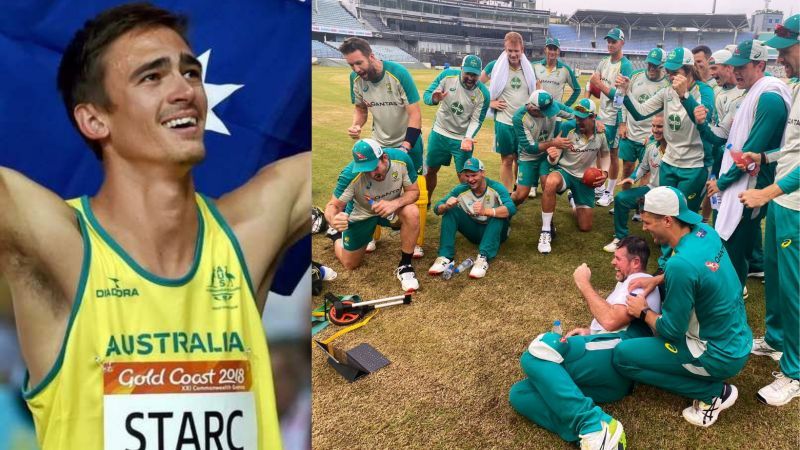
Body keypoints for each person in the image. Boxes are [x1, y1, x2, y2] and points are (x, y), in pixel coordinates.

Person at [0, 4, 310, 448]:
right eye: (152, 76)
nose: (185, 89)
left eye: (190, 73)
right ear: (94, 119)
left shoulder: (248, 234)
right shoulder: (59, 245)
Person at [614, 187, 751, 428]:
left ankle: (714, 393)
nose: (644, 228)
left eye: (647, 222)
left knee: (623, 356)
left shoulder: (680, 264)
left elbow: (671, 330)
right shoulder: (706, 232)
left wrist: (642, 311)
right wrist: (657, 279)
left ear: (667, 220)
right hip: (737, 339)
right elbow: (701, 271)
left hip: (715, 354)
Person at [509, 236, 660, 449]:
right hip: (607, 371)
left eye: (618, 258)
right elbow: (615, 320)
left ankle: (594, 424)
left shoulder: (640, 281)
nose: (612, 262)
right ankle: (589, 436)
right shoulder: (628, 284)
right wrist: (591, 331)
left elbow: (611, 320)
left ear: (635, 262)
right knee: (521, 394)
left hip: (618, 354)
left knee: (538, 352)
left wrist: (583, 282)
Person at [737, 15, 800, 406]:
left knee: (794, 290)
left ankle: (794, 371)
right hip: (782, 199)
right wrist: (763, 155)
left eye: (785, 51)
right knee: (776, 279)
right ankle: (776, 340)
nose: (780, 59)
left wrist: (768, 192)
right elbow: (791, 149)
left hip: (793, 203)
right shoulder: (797, 87)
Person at [702, 40, 791, 288]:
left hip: (751, 184)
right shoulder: (755, 93)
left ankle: (732, 294)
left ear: (760, 64)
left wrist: (722, 182)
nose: (736, 71)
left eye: (742, 66)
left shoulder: (769, 98)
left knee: (735, 245)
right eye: (734, 66)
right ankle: (734, 288)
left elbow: (750, 154)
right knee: (735, 242)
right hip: (743, 180)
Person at [340, 37, 427, 258]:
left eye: (359, 63)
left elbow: (415, 114)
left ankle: (414, 241)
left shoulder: (398, 74)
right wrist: (356, 125)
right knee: (371, 188)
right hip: (378, 144)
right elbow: (361, 109)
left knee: (414, 192)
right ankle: (371, 235)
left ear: (371, 56)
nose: (356, 69)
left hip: (409, 143)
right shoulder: (356, 80)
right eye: (351, 65)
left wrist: (405, 148)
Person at [617, 47, 715, 213]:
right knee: (665, 212)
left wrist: (685, 95)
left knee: (684, 214)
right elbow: (640, 112)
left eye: (674, 72)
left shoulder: (704, 91)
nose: (670, 77)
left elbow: (701, 121)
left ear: (689, 69)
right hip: (669, 162)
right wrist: (625, 93)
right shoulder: (667, 91)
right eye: (668, 72)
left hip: (694, 165)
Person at [324, 139, 421, 292]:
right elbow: (333, 206)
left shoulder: (401, 160)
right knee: (350, 264)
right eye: (365, 169)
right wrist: (334, 220)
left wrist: (394, 204)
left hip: (392, 208)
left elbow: (414, 192)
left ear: (384, 158)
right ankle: (336, 236)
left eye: (374, 167)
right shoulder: (350, 174)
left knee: (412, 211)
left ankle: (405, 265)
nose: (371, 173)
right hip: (361, 213)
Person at [538, 99, 609, 254]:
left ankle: (573, 202)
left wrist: (605, 172)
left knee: (585, 227)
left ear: (593, 117)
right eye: (576, 117)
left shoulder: (602, 133)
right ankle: (545, 232)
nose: (578, 120)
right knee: (551, 182)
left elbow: (604, 154)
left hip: (585, 179)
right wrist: (551, 156)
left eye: (582, 118)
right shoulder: (567, 127)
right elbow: (555, 157)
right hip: (565, 172)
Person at [428, 158, 515, 279]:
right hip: (475, 231)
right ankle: (445, 256)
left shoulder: (496, 187)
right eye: (467, 176)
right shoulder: (460, 189)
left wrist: (486, 211)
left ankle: (483, 258)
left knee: (498, 214)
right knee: (450, 210)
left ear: (483, 173)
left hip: (498, 232)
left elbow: (511, 208)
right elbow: (437, 209)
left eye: (474, 175)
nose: (470, 179)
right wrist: (445, 205)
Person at [422, 54, 490, 201]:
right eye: (468, 73)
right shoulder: (447, 76)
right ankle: (426, 202)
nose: (471, 78)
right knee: (431, 170)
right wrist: (434, 98)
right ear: (461, 69)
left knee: (466, 176)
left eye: (475, 75)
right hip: (440, 132)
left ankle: (471, 208)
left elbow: (476, 120)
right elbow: (427, 95)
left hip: (462, 139)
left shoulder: (483, 94)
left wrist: (468, 138)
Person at [480, 32, 537, 192]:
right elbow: (476, 86)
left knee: (521, 159)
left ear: (522, 50)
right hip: (504, 122)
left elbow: (536, 91)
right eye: (510, 50)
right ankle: (507, 194)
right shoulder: (494, 66)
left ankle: (519, 190)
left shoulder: (529, 68)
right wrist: (490, 101)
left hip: (524, 123)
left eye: (516, 51)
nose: (513, 54)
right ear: (505, 49)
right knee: (507, 159)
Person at [604, 115, 666, 252]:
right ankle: (621, 238)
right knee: (621, 198)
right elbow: (643, 166)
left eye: (660, 126)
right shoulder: (651, 146)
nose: (655, 130)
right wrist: (633, 177)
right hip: (652, 190)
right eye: (653, 126)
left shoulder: (678, 150)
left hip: (671, 194)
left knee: (663, 240)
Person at [616, 48, 669, 203]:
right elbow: (620, 97)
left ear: (663, 66)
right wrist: (622, 123)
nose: (651, 68)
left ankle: (641, 207)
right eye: (649, 65)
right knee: (627, 168)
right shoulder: (635, 76)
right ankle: (625, 199)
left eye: (656, 66)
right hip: (630, 132)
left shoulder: (667, 84)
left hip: (651, 135)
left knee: (647, 172)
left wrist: (654, 135)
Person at [588, 28, 634, 209]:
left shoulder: (626, 66)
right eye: (608, 41)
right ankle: (600, 186)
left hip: (616, 117)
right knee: (601, 151)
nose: (610, 44)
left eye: (613, 41)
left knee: (613, 154)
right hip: (602, 115)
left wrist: (599, 84)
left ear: (622, 43)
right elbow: (594, 84)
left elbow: (621, 97)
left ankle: (609, 191)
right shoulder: (603, 62)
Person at [511, 90, 571, 205]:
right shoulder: (519, 118)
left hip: (547, 155)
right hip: (528, 157)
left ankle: (547, 222)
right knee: (521, 195)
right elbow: (530, 147)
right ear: (533, 109)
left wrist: (595, 121)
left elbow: (574, 114)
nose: (550, 113)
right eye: (545, 112)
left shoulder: (552, 106)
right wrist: (554, 143)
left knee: (548, 185)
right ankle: (505, 210)